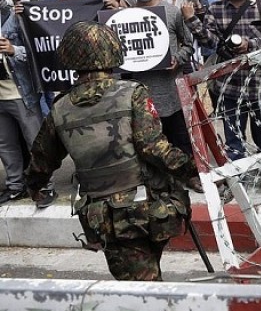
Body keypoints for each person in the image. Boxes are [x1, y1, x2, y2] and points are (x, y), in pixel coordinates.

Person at [25, 22, 199, 281]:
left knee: (141, 290)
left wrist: (34, 186)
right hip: (151, 209)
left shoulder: (60, 108)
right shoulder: (132, 93)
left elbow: (42, 160)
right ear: (113, 53)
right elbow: (153, 147)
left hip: (109, 219)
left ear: (69, 58)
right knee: (148, 285)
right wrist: (193, 170)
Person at [183, 0, 261, 181]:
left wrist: (250, 44)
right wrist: (191, 21)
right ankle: (239, 176)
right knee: (234, 137)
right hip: (229, 87)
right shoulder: (216, 9)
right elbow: (209, 41)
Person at [125, 0, 195, 158]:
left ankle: (190, 175)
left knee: (182, 143)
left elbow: (189, 44)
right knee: (152, 149)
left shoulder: (172, 11)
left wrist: (178, 59)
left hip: (173, 93)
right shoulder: (124, 17)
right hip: (142, 96)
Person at [0, 0, 57, 208]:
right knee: (5, 144)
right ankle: (15, 186)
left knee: (35, 141)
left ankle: (45, 185)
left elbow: (37, 49)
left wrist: (14, 50)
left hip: (21, 92)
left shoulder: (18, 13)